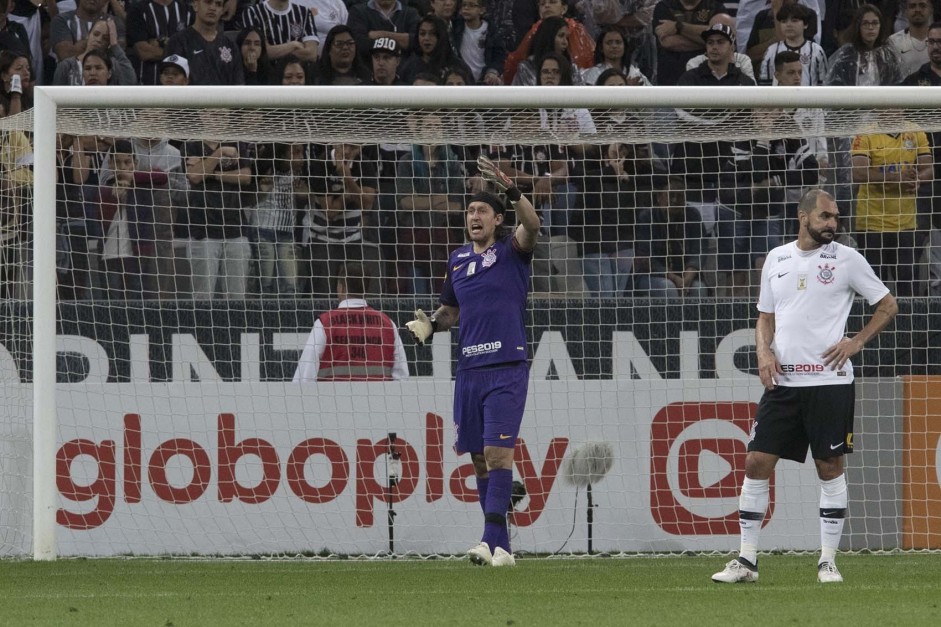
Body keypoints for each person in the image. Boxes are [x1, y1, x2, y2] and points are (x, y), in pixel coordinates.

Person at [711, 188, 899, 585]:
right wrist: (763, 353)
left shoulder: (847, 259)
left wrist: (857, 342)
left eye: (835, 218)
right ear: (804, 216)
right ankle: (746, 561)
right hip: (784, 382)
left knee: (829, 467)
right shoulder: (777, 259)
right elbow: (765, 317)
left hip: (829, 382)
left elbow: (887, 304)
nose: (833, 224)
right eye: (826, 217)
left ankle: (828, 561)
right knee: (756, 462)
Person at [405, 155, 540, 568]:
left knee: (499, 455)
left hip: (506, 368)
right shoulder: (458, 261)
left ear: (498, 219)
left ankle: (486, 538)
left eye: (482, 210)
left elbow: (533, 225)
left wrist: (513, 192)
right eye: (470, 211)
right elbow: (452, 311)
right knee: (480, 459)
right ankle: (503, 549)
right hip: (469, 371)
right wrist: (431, 324)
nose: (474, 216)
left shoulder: (512, 251)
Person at [850, 116, 932, 297]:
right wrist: (896, 178)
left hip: (906, 224)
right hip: (871, 224)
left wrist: (918, 179)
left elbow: (929, 169)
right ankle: (871, 325)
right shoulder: (865, 133)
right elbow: (858, 172)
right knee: (872, 288)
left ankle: (908, 325)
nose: (893, 108)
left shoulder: (915, 131)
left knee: (908, 287)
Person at [293, 262, 408, 382]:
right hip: (378, 399)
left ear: (341, 287)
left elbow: (305, 374)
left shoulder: (325, 323)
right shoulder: (387, 324)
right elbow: (401, 376)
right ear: (366, 288)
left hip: (334, 399)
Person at [166, 0, 244, 85]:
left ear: (222, 10)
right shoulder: (178, 42)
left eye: (218, 4)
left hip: (224, 98)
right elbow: (171, 83)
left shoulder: (230, 46)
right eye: (208, 2)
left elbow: (238, 85)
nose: (213, 8)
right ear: (195, 5)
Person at [126, 0, 194, 85]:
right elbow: (143, 52)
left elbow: (193, 52)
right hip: (147, 85)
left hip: (181, 89)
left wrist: (160, 44)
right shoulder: (137, 10)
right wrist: (180, 52)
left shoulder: (188, 10)